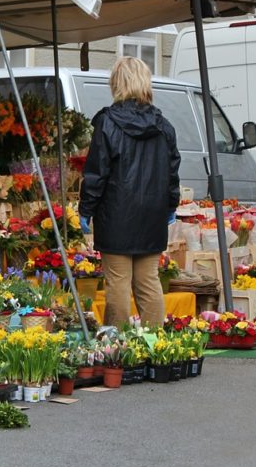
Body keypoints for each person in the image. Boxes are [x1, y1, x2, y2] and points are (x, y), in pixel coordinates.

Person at [78, 56, 181, 328]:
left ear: (116, 83)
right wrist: (171, 206)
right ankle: (153, 344)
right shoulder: (164, 126)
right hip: (152, 215)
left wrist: (86, 210)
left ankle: (120, 348)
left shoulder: (107, 123)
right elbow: (172, 173)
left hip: (116, 216)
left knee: (118, 284)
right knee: (149, 283)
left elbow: (96, 173)